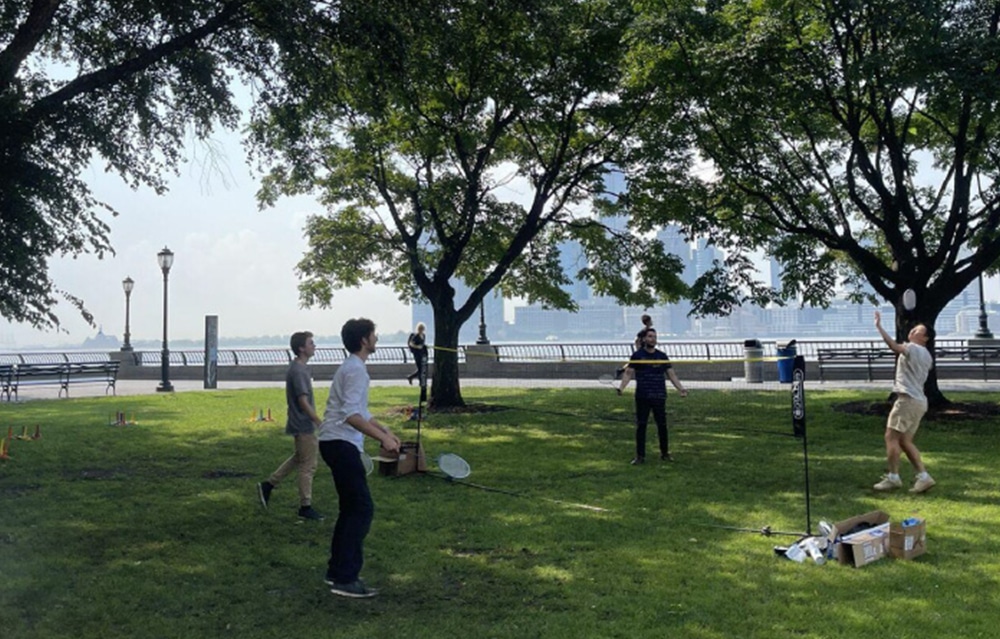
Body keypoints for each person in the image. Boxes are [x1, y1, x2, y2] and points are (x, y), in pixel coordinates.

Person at [319, 318, 402, 598]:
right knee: (361, 509)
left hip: (336, 443)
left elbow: (361, 412)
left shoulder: (353, 367)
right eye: (374, 335)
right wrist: (383, 440)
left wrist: (384, 428)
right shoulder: (355, 370)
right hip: (340, 444)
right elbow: (351, 416)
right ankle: (345, 578)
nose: (376, 338)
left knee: (350, 509)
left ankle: (337, 571)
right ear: (364, 340)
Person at [256, 331, 324, 521]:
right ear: (301, 348)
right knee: (308, 465)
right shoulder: (299, 370)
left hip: (300, 422)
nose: (314, 346)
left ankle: (268, 485)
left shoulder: (298, 368)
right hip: (303, 424)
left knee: (300, 458)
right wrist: (317, 421)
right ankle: (305, 506)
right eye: (311, 343)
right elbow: (303, 401)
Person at [873, 310, 936, 493]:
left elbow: (894, 346)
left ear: (925, 338)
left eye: (918, 330)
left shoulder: (913, 349)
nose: (913, 331)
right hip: (919, 402)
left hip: (907, 401)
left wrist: (879, 327)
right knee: (905, 442)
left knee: (891, 437)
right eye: (914, 329)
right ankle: (924, 477)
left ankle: (893, 478)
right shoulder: (927, 356)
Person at [618, 327, 687, 464]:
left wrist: (681, 389)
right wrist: (621, 388)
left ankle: (665, 453)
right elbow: (628, 373)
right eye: (650, 336)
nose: (653, 339)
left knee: (662, 425)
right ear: (644, 339)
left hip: (659, 395)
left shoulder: (662, 356)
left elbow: (671, 374)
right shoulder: (637, 356)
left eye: (654, 337)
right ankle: (640, 456)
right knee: (641, 426)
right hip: (643, 396)